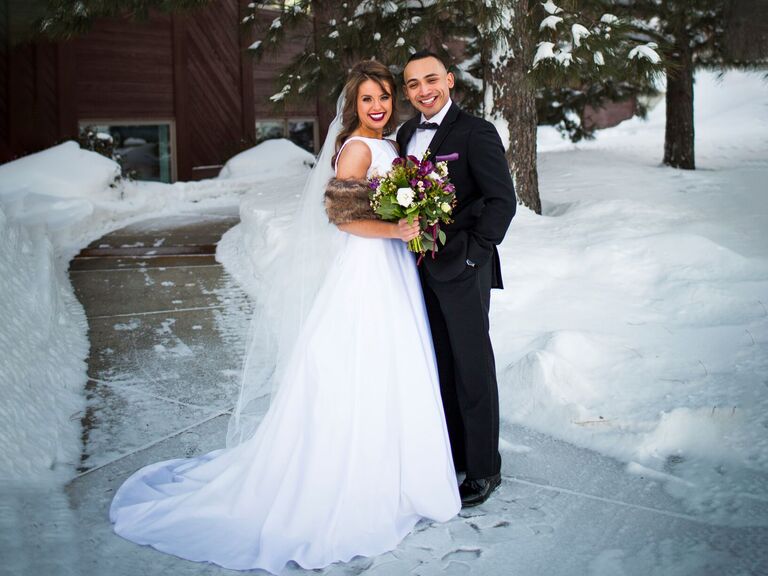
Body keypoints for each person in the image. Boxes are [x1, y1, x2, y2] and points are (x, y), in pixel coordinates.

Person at [109, 60, 460, 573]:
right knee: (363, 363)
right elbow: (343, 218)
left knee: (395, 363)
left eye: (384, 96)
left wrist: (413, 219)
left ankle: (401, 471)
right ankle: (359, 476)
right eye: (367, 99)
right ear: (352, 106)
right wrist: (399, 231)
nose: (378, 106)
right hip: (368, 270)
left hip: (394, 269)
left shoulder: (391, 144)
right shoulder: (358, 148)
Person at [396, 50, 516, 507]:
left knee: (473, 368)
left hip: (464, 267)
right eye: (413, 84)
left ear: (449, 80)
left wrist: (474, 255)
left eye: (431, 79)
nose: (423, 90)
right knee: (440, 364)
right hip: (418, 269)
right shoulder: (406, 133)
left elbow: (502, 200)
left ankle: (486, 469)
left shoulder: (476, 132)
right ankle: (456, 454)